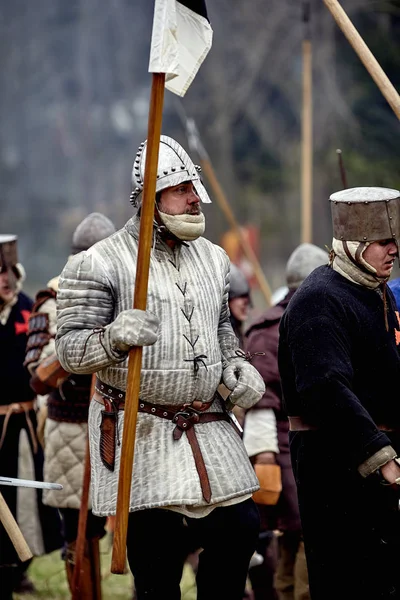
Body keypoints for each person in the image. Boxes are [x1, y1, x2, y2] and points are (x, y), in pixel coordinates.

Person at [54, 135, 266, 600]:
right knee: (159, 561)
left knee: (241, 526)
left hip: (208, 424)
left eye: (196, 188)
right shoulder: (99, 262)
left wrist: (235, 367)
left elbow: (223, 331)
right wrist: (112, 338)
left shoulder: (214, 258)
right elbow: (68, 350)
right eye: (182, 189)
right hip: (141, 428)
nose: (195, 198)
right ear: (151, 196)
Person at [278, 186, 400, 600]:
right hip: (335, 466)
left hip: (370, 462)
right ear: (356, 244)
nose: (394, 249)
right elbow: (324, 388)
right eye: (384, 241)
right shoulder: (319, 299)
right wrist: (381, 455)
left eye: (394, 240)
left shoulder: (374, 292)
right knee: (348, 583)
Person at [24, 213, 116, 598]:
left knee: (118, 525)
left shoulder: (122, 292)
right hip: (71, 431)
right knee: (75, 532)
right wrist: (80, 347)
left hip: (116, 423)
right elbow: (37, 371)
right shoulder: (53, 300)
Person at [244, 243, 328, 600]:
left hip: (308, 444)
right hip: (284, 448)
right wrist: (263, 456)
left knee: (296, 535)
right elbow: (261, 399)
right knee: (307, 534)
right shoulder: (269, 329)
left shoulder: (316, 314)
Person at [0, 234, 62, 599]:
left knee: (26, 505)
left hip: (23, 427)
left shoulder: (28, 310)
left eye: (9, 272)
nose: (5, 280)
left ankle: (16, 571)